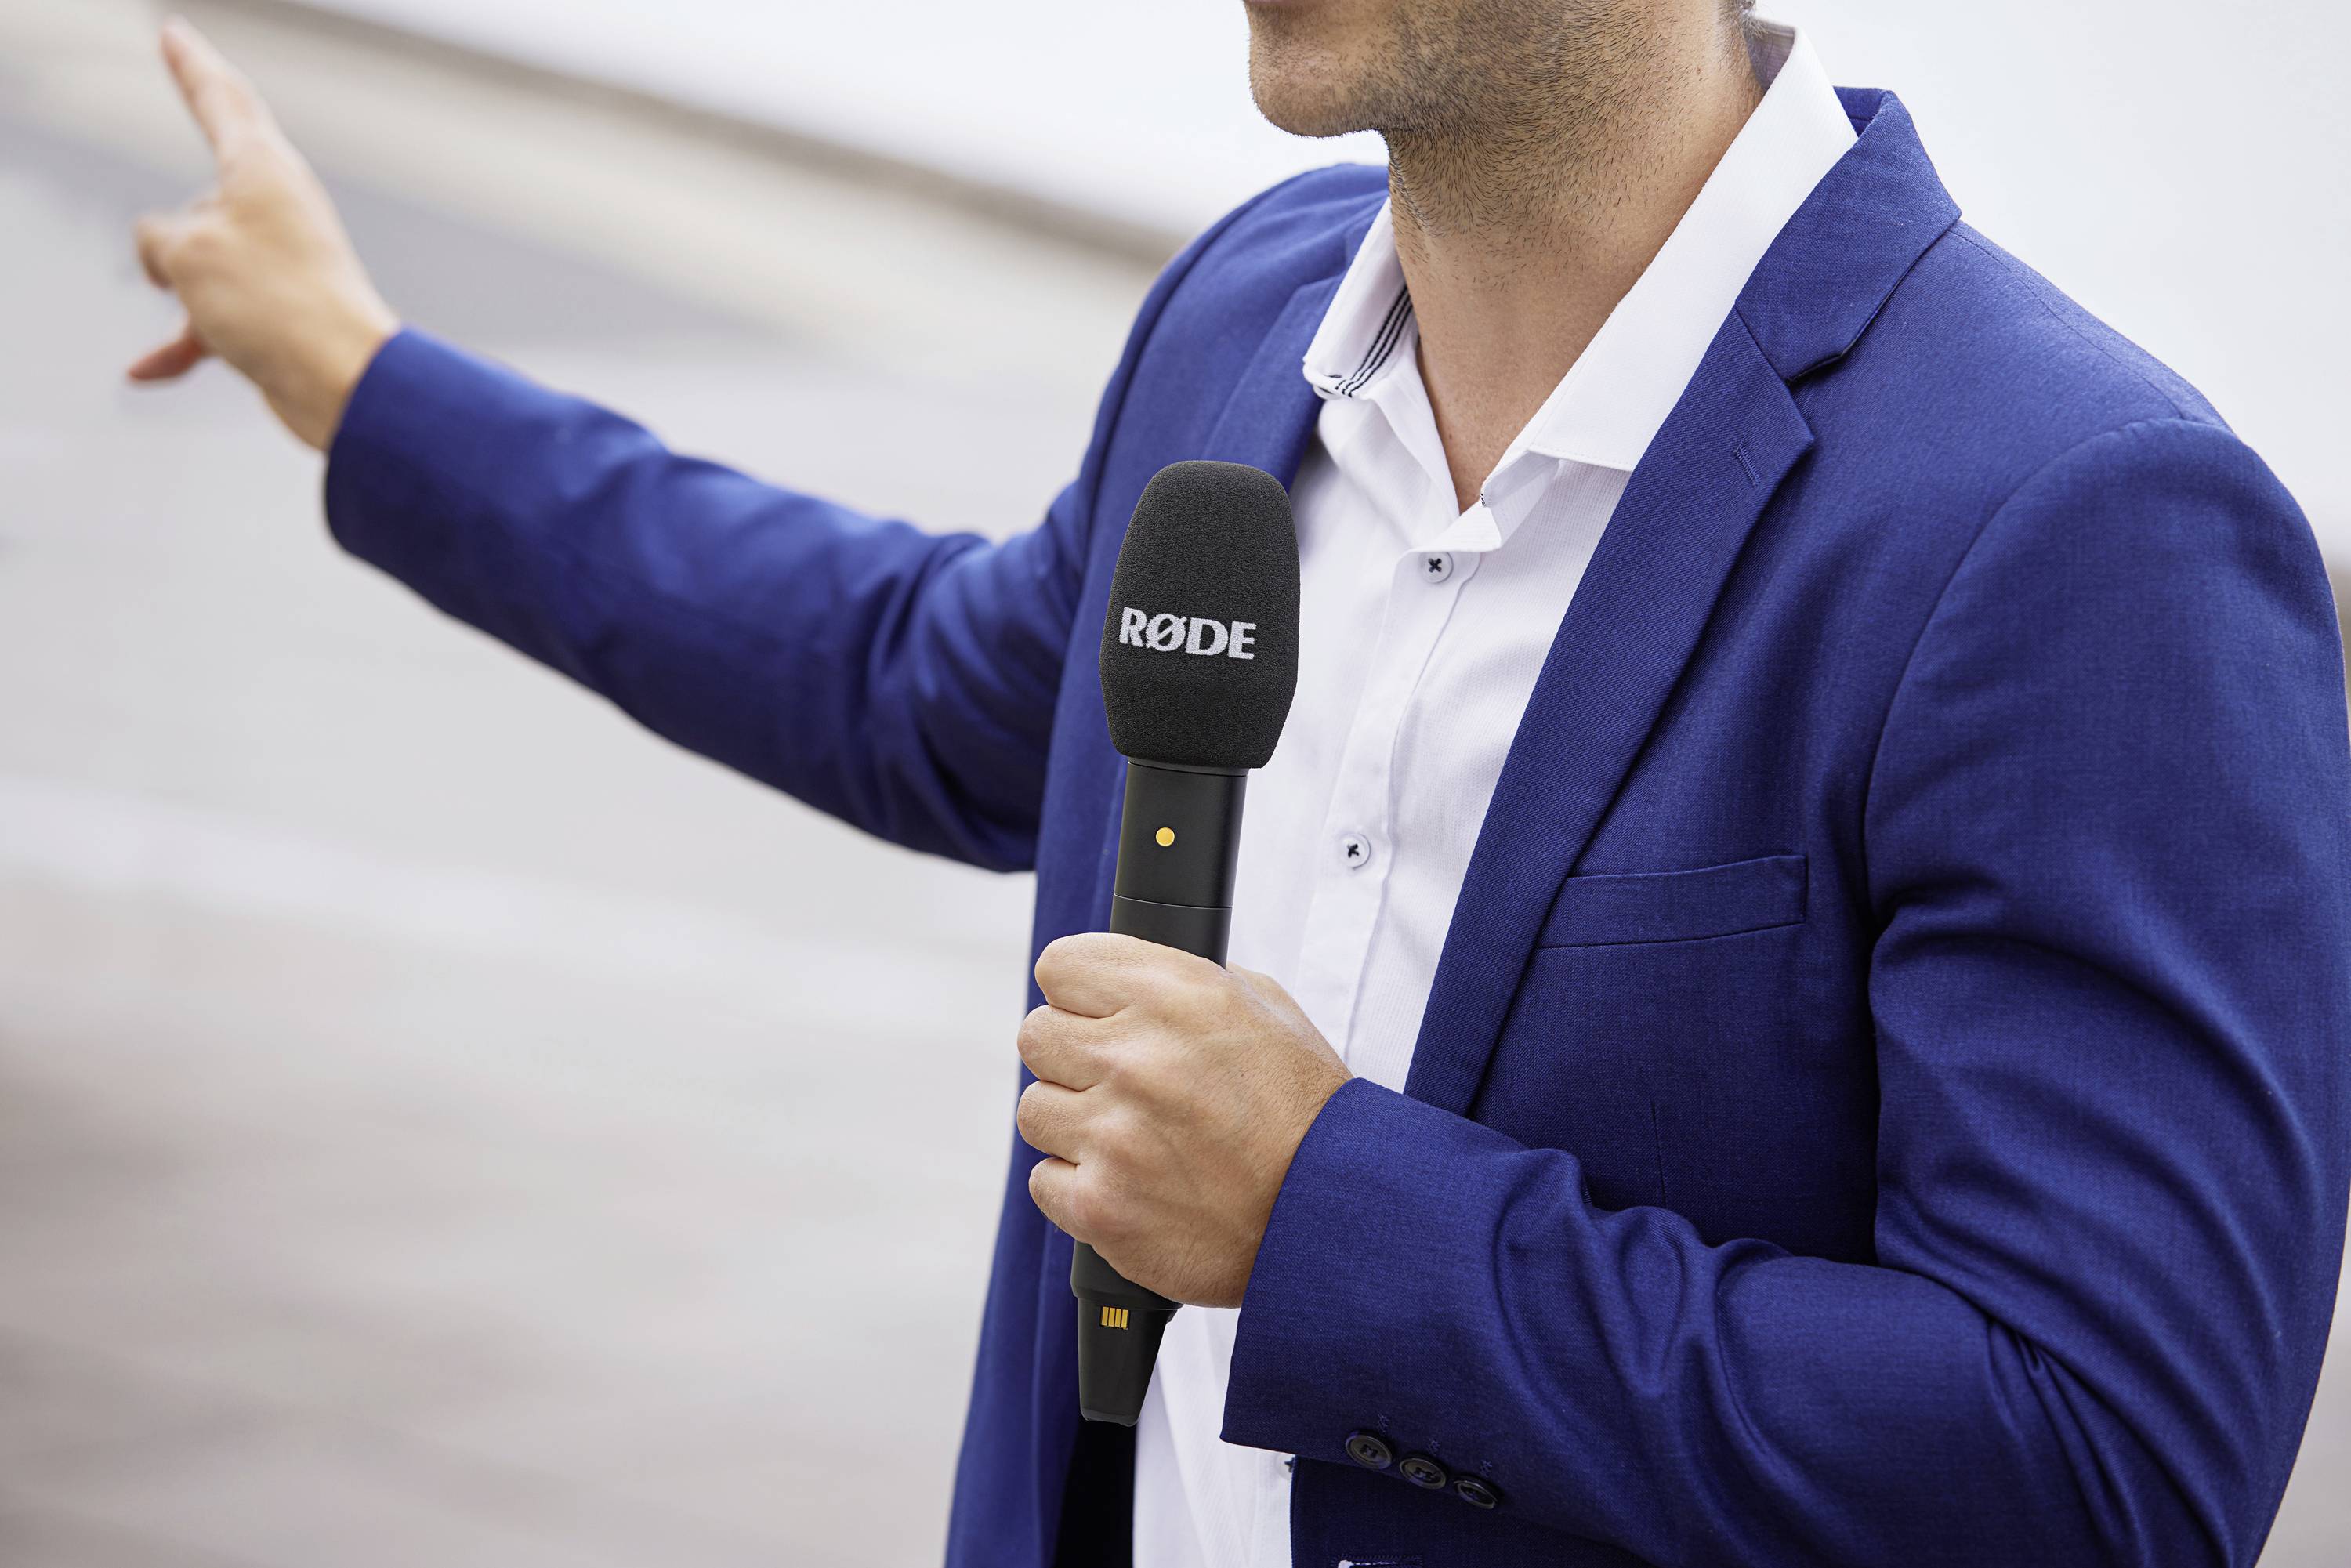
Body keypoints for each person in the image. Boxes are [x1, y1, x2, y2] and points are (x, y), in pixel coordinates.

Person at [126, 2, 2350, 1563]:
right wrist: (361, 381)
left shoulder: (2082, 522)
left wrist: (1326, 1215)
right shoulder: (1237, 329)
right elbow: (913, 677)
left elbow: (2103, 1466)